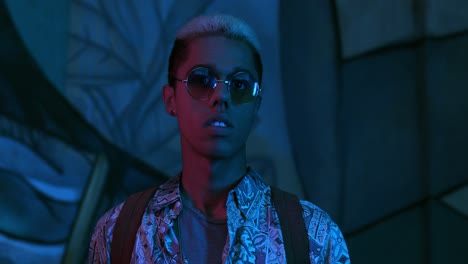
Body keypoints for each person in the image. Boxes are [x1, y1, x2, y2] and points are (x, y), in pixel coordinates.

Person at [88, 14, 350, 263]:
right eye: (201, 80)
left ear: (256, 104)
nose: (221, 96)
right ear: (170, 100)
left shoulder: (314, 236)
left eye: (239, 85)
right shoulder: (118, 231)